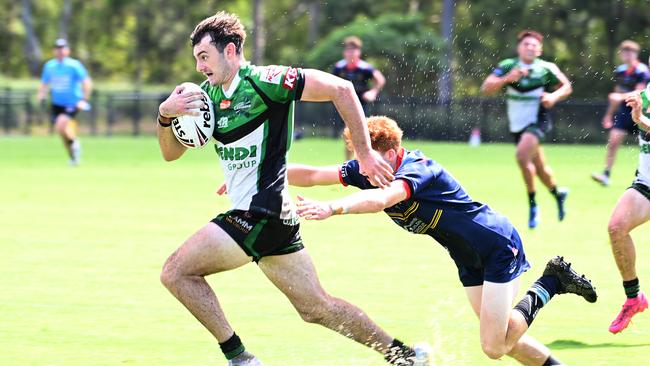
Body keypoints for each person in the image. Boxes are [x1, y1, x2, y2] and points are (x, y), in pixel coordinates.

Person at [156, 11, 429, 366]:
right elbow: (171, 153)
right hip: (271, 217)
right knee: (316, 308)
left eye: (204, 57)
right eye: (196, 59)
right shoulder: (205, 98)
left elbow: (341, 88)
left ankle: (240, 359)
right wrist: (165, 114)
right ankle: (405, 356)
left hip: (260, 212)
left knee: (176, 272)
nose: (199, 67)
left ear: (232, 51)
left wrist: (363, 154)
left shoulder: (266, 81)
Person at [291, 115, 598, 366]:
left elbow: (384, 199)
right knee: (503, 337)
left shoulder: (418, 169)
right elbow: (313, 174)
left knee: (493, 345)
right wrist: (262, 170)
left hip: (496, 245)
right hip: (466, 258)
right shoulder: (370, 169)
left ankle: (552, 281)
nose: (361, 167)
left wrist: (332, 207)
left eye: (365, 158)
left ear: (389, 154)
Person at [480, 30, 572, 229]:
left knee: (522, 157)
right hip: (517, 124)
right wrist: (507, 79)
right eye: (526, 44)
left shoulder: (547, 68)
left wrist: (553, 97)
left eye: (533, 45)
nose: (530, 47)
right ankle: (558, 193)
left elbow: (567, 87)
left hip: (538, 120)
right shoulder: (508, 65)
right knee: (539, 168)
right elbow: (485, 88)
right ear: (519, 48)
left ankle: (533, 205)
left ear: (540, 49)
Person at [606, 88, 650, 334]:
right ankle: (634, 298)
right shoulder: (642, 96)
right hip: (647, 184)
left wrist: (640, 119)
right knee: (616, 228)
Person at [592, 40, 650, 186]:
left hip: (641, 110)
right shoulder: (621, 71)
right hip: (624, 112)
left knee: (645, 146)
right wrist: (609, 114)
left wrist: (620, 97)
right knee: (613, 142)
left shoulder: (642, 71)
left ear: (636, 54)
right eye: (624, 52)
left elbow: (640, 92)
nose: (626, 55)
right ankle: (606, 174)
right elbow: (616, 94)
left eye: (630, 52)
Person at [37, 38, 92, 166]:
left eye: (62, 48)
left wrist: (84, 100)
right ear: (54, 51)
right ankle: (73, 156)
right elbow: (44, 83)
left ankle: (75, 144)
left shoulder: (74, 65)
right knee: (62, 132)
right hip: (57, 104)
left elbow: (86, 82)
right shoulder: (49, 66)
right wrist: (41, 94)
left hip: (72, 103)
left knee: (61, 125)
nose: (60, 51)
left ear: (67, 50)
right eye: (58, 48)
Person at [332, 36, 385, 159]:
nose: (350, 53)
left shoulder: (365, 68)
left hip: (361, 103)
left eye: (353, 50)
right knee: (348, 133)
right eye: (348, 50)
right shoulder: (339, 67)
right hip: (344, 103)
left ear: (358, 52)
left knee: (361, 132)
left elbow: (380, 79)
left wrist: (373, 92)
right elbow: (331, 83)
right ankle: (348, 163)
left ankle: (361, 161)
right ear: (344, 52)